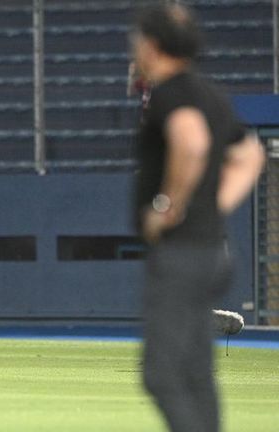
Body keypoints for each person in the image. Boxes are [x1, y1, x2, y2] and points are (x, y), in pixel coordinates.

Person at [131, 4, 264, 432]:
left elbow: (191, 143)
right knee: (196, 375)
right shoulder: (211, 93)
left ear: (152, 45)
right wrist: (214, 204)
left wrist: (165, 208)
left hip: (182, 253)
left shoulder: (171, 94)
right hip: (210, 251)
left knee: (162, 374)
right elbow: (250, 155)